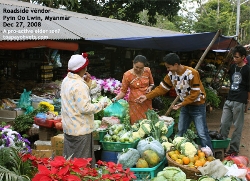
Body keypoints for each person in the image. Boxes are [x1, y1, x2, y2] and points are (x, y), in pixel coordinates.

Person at [135, 53, 213, 150]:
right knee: (180, 131)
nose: (168, 69)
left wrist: (182, 103)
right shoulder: (171, 75)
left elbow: (195, 93)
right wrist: (146, 97)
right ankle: (178, 153)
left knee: (202, 133)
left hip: (197, 106)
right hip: (185, 106)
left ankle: (210, 156)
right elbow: (161, 89)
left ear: (176, 64)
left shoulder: (191, 73)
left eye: (169, 67)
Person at [61, 53, 107, 167]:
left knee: (70, 162)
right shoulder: (79, 85)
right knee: (82, 165)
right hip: (80, 130)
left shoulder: (66, 80)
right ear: (82, 68)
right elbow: (85, 108)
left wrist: (87, 85)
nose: (87, 69)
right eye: (85, 67)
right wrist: (101, 105)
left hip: (69, 128)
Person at [219, 45, 250, 157]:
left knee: (237, 126)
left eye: (237, 57)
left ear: (243, 57)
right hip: (229, 99)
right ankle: (221, 145)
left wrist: (247, 102)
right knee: (224, 124)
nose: (234, 59)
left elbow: (248, 87)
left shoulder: (247, 70)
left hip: (240, 101)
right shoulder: (233, 67)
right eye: (234, 57)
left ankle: (233, 149)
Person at [113, 55, 154, 124]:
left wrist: (150, 88)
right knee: (136, 124)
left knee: (147, 123)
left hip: (147, 101)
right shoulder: (127, 75)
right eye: (136, 67)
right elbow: (123, 92)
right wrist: (115, 99)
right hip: (135, 103)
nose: (138, 70)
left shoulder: (147, 70)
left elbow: (152, 84)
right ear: (133, 63)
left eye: (141, 68)